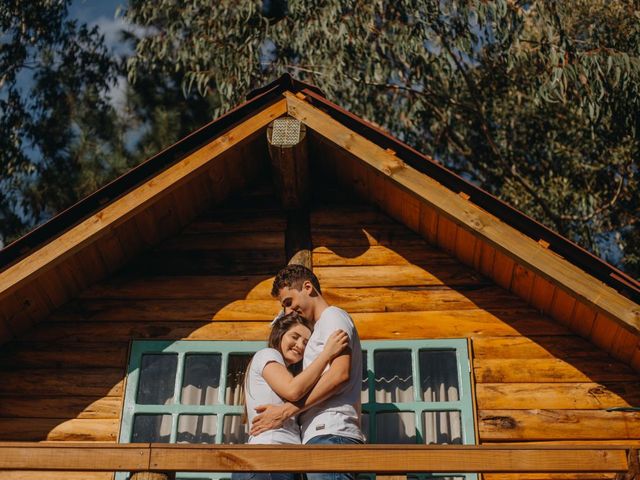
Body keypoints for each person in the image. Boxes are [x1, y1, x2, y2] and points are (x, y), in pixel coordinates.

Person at [251, 264, 365, 480]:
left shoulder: (332, 316)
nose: (288, 311)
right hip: (321, 437)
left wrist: (285, 411)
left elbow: (339, 374)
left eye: (289, 302)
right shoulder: (320, 328)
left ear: (307, 287)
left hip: (331, 434)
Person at [233, 311, 349, 480]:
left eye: (306, 343)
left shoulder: (292, 374)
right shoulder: (268, 355)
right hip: (268, 459)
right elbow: (292, 390)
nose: (300, 345)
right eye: (294, 337)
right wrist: (326, 354)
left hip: (283, 462)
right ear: (280, 334)